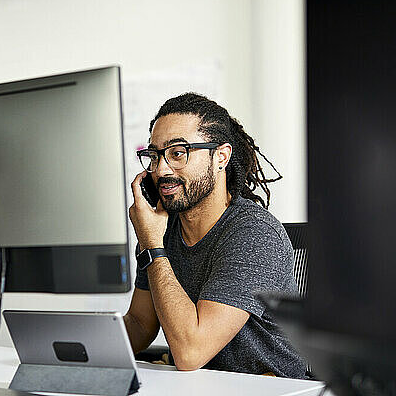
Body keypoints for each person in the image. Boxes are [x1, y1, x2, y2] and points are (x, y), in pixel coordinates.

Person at [123, 93, 307, 378]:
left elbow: (190, 352)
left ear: (221, 157)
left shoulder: (254, 233)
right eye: (155, 154)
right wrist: (77, 350)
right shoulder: (161, 227)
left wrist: (153, 248)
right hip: (200, 385)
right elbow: (139, 323)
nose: (160, 169)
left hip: (266, 389)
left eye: (178, 152)